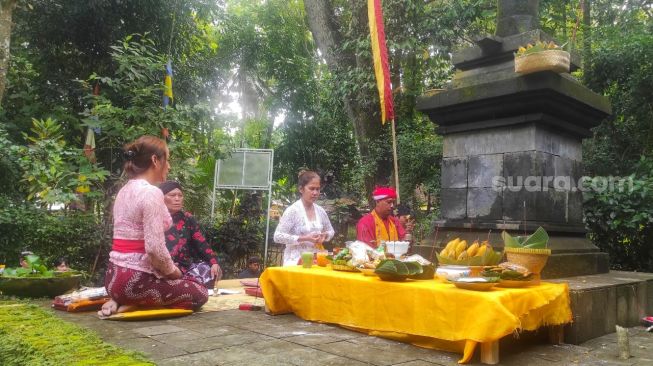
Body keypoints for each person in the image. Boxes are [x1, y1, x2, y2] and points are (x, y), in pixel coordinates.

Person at [98, 136, 208, 318]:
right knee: (199, 292)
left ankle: (122, 300)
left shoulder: (124, 191)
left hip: (112, 279)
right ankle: (135, 303)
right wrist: (174, 273)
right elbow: (155, 249)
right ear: (155, 160)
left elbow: (164, 222)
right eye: (168, 160)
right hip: (133, 282)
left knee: (178, 281)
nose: (169, 166)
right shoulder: (151, 193)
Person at [159, 180, 222, 288]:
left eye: (180, 195)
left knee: (208, 270)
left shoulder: (188, 218)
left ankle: (184, 285)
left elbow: (201, 243)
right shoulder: (153, 217)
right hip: (161, 268)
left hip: (185, 268)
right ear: (161, 197)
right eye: (172, 195)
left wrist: (213, 262)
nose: (177, 199)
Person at [274, 170, 335, 266]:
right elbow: (277, 236)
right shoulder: (293, 211)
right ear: (301, 189)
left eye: (318, 189)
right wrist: (304, 238)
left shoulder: (320, 211)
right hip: (295, 262)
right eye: (311, 188)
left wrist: (325, 236)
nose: (315, 193)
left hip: (315, 262)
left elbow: (331, 231)